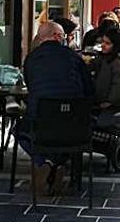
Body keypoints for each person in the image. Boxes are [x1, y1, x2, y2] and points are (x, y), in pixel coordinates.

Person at [19, 22, 93, 194]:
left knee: (20, 131)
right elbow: (88, 88)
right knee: (69, 137)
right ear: (58, 36)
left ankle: (43, 161)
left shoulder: (31, 59)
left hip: (41, 120)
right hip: (75, 123)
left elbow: (31, 87)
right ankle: (58, 163)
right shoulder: (74, 57)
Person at [92, 27, 120, 129]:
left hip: (115, 107)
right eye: (103, 42)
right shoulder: (104, 59)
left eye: (107, 43)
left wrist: (108, 102)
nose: (103, 45)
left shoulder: (118, 64)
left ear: (116, 46)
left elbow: (119, 86)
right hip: (104, 103)